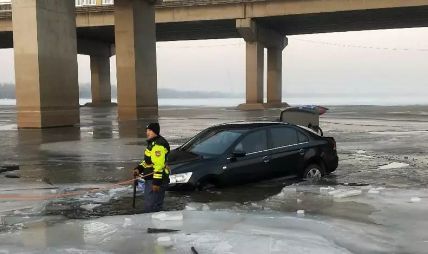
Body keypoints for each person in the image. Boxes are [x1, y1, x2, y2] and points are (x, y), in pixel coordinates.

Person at [134, 123, 170, 213]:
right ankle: (154, 224)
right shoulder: (152, 143)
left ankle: (152, 225)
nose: (147, 132)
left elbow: (158, 165)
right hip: (151, 179)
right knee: (153, 205)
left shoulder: (158, 145)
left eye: (150, 130)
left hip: (155, 180)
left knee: (151, 206)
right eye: (147, 130)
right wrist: (139, 168)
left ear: (155, 131)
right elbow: (148, 161)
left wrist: (156, 183)